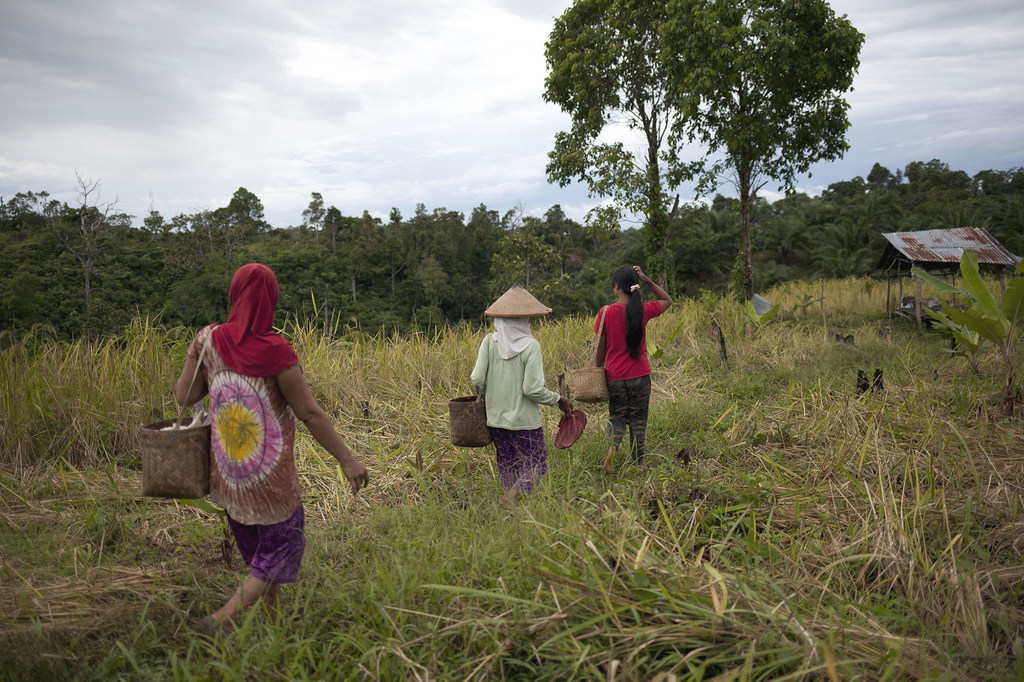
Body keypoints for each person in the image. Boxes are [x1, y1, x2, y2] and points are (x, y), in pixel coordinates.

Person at [174, 263, 369, 636]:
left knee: (263, 562)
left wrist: (197, 353)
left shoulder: (208, 340)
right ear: (271, 301)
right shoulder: (277, 352)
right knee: (279, 552)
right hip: (272, 484)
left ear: (234, 295)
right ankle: (220, 621)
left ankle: (277, 630)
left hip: (230, 478)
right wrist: (347, 459)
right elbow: (309, 413)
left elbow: (185, 396)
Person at [471, 284, 573, 505]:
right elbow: (532, 389)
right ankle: (513, 497)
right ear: (523, 320)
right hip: (525, 422)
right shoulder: (530, 346)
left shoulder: (489, 341)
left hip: (496, 419)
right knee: (537, 464)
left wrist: (488, 394)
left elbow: (477, 379)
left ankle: (512, 505)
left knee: (507, 462)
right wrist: (558, 399)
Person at [595, 265, 672, 474]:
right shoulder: (643, 310)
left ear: (617, 287)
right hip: (640, 375)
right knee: (638, 420)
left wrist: (596, 371)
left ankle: (613, 449)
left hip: (615, 377)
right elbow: (667, 300)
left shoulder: (606, 312)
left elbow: (600, 349)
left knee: (617, 418)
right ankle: (638, 464)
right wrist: (647, 280)